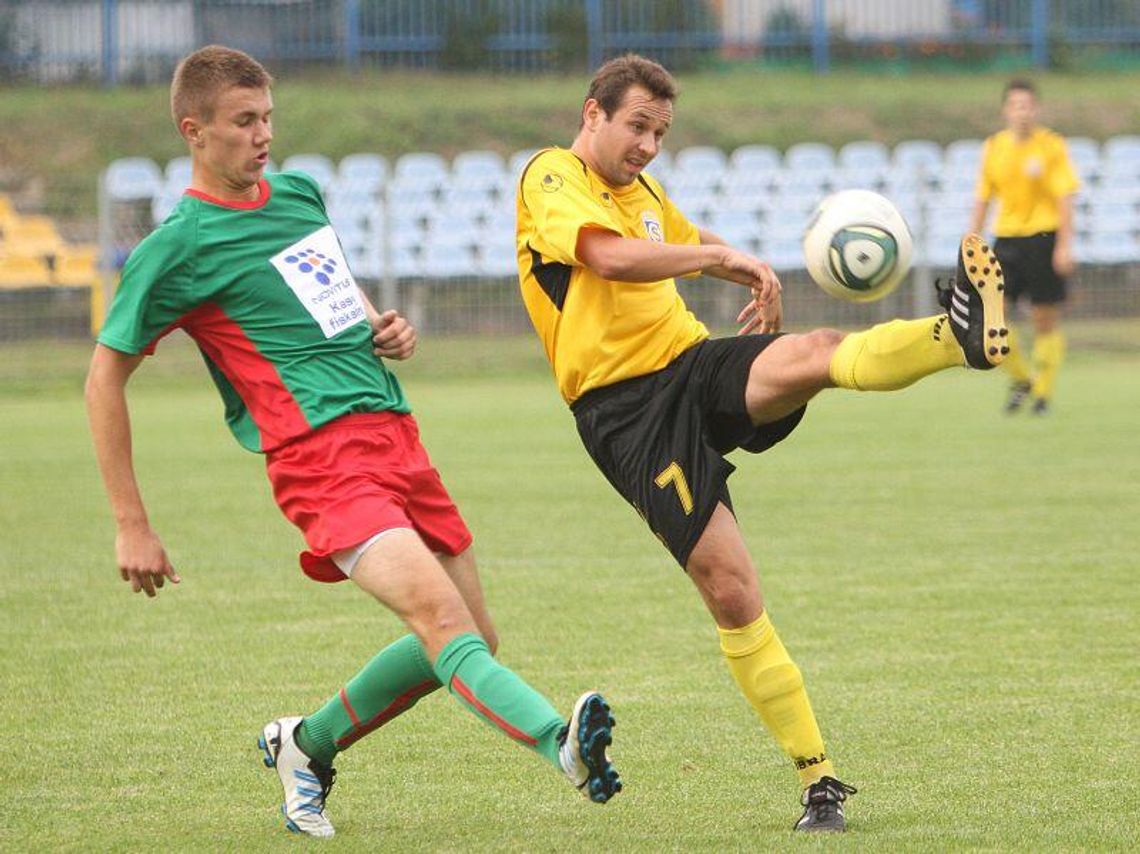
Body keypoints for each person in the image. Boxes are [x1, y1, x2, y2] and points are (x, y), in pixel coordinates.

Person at [85, 45, 621, 839]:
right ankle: (561, 743)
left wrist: (379, 327)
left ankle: (308, 746)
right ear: (194, 131)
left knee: (475, 634)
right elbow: (103, 377)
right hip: (318, 460)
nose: (263, 134)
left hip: (396, 434)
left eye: (267, 116)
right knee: (447, 628)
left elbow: (328, 289)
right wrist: (132, 521)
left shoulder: (299, 193)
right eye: (243, 122)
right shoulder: (180, 246)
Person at [515, 53, 1009, 833]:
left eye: (660, 132)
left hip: (691, 363)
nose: (647, 145)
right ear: (592, 115)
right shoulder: (551, 177)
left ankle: (958, 336)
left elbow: (678, 234)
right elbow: (608, 254)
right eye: (636, 126)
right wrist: (719, 259)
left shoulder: (641, 191)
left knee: (813, 352)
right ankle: (819, 778)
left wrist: (753, 269)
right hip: (625, 414)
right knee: (732, 588)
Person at [969, 78, 1079, 415]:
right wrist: (972, 240)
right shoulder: (994, 147)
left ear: (1037, 109)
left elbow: (1065, 197)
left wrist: (1064, 245)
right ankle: (1024, 377)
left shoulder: (1051, 146)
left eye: (1028, 105)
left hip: (1044, 238)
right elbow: (983, 198)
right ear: (1006, 110)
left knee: (1044, 320)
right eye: (1016, 105)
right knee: (993, 319)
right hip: (1007, 239)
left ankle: (1042, 394)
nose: (1022, 112)